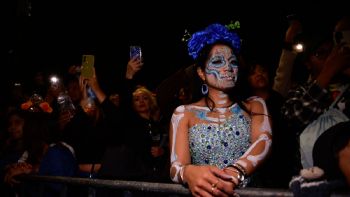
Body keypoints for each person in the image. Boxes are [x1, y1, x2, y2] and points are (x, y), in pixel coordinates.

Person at [169, 23, 272, 196]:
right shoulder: (183, 113)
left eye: (233, 62)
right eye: (217, 61)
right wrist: (188, 173)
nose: (228, 68)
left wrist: (233, 173)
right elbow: (176, 167)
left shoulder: (255, 104)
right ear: (201, 72)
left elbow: (263, 140)